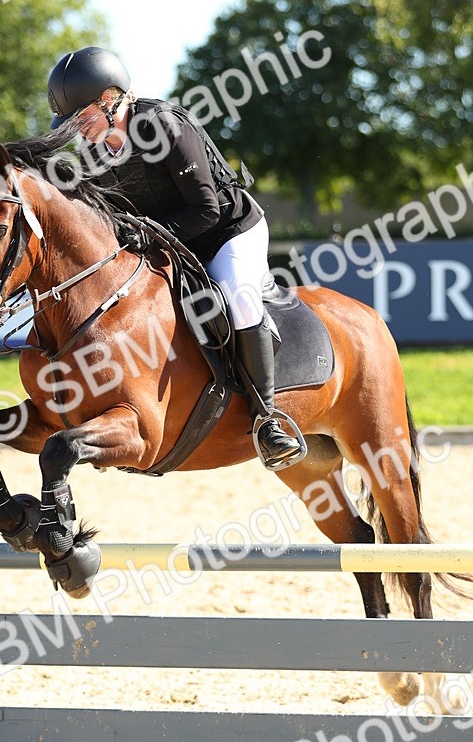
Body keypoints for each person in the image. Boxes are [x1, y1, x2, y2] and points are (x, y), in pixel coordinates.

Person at [46, 45, 304, 469]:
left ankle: (268, 418)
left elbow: (207, 209)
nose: (77, 130)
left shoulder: (164, 125)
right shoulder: (92, 154)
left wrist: (149, 240)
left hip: (226, 232)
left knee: (237, 296)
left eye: (82, 117)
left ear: (111, 100)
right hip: (168, 241)